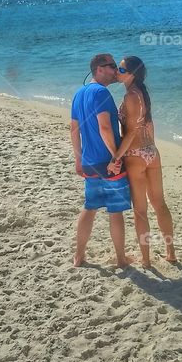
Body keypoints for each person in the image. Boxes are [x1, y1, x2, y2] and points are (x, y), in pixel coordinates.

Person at [107, 56, 176, 268]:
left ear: (132, 74)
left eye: (121, 68)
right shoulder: (142, 94)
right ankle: (170, 253)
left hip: (135, 154)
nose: (116, 71)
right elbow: (148, 125)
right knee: (159, 204)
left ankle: (146, 260)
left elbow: (131, 132)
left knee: (140, 210)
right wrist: (150, 147)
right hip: (151, 151)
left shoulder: (130, 96)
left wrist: (116, 156)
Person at [70, 53, 132, 267]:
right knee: (115, 211)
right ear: (99, 69)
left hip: (89, 163)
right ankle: (121, 258)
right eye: (112, 66)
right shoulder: (101, 93)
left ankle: (79, 256)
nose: (116, 71)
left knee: (90, 207)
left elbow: (74, 130)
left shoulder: (79, 94)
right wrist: (115, 157)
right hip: (108, 162)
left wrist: (78, 160)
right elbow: (105, 127)